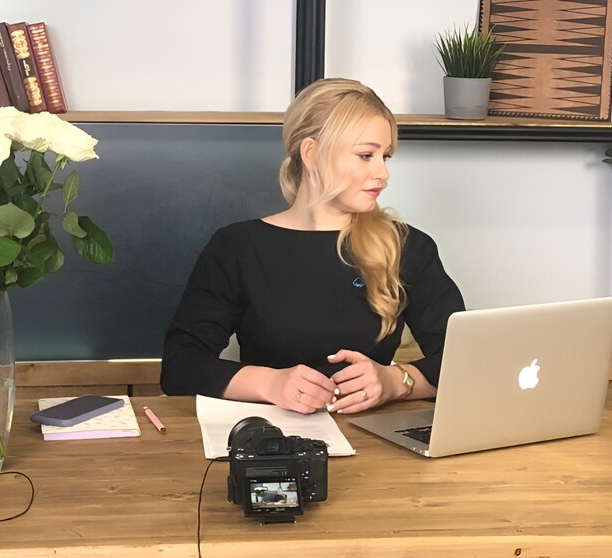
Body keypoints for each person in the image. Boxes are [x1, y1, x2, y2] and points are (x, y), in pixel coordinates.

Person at [160, 78, 465, 415]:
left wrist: (397, 381)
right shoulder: (236, 247)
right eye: (366, 155)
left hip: (373, 437)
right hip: (271, 435)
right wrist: (270, 383)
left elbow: (465, 361)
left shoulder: (408, 246)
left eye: (385, 157)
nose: (382, 173)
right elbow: (180, 367)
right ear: (312, 153)